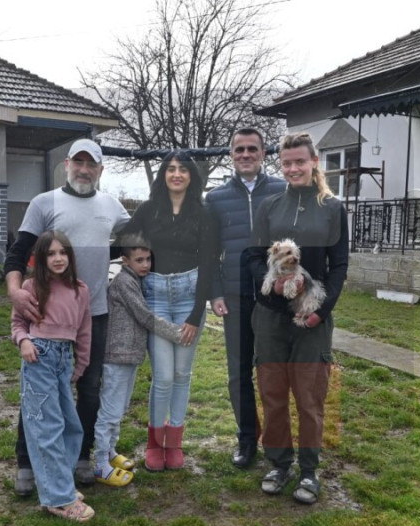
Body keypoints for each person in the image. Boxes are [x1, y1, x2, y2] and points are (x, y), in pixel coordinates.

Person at [4, 139, 130, 493]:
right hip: (47, 315)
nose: (84, 170)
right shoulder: (44, 203)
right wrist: (15, 292)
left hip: (95, 312)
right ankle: (26, 463)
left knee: (89, 388)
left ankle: (81, 457)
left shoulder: (112, 206)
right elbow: (18, 252)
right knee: (38, 390)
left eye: (92, 164)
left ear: (101, 170)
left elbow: (136, 240)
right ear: (67, 164)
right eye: (79, 162)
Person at [246, 132, 349, 505]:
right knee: (272, 395)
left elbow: (340, 266)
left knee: (309, 398)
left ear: (314, 162)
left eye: (300, 162)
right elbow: (253, 257)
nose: (292, 169)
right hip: (271, 319)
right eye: (286, 163)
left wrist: (321, 312)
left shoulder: (332, 208)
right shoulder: (269, 206)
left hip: (311, 320)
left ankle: (308, 470)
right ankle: (279, 464)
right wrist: (271, 285)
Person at [118, 151, 213, 471]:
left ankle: (174, 444)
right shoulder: (149, 209)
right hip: (156, 297)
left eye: (183, 169)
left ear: (191, 176)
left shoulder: (203, 213)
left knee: (182, 374)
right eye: (170, 169)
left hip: (189, 296)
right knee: (163, 376)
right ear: (163, 175)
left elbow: (209, 263)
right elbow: (124, 241)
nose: (176, 174)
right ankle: (154, 444)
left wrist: (196, 314)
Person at [205, 127, 286, 469]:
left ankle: (277, 441)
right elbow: (209, 251)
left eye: (252, 149)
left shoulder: (282, 190)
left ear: (263, 153)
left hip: (274, 299)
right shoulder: (215, 199)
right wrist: (215, 292)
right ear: (231, 155)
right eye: (239, 150)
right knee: (239, 373)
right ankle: (247, 439)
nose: (246, 155)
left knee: (272, 372)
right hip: (236, 297)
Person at [11, 230, 94, 521]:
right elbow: (18, 323)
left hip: (63, 360)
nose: (58, 258)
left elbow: (84, 331)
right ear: (41, 259)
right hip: (39, 357)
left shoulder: (80, 290)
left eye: (63, 253)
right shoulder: (32, 287)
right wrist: (24, 341)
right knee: (47, 428)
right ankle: (58, 499)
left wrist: (80, 365)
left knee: (71, 426)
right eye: (51, 254)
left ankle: (59, 484)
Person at [92, 234, 184, 486]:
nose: (145, 264)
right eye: (139, 260)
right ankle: (100, 464)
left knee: (120, 408)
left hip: (129, 356)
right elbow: (144, 316)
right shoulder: (124, 282)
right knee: (110, 411)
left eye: (148, 259)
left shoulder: (135, 280)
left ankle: (110, 452)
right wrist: (176, 333)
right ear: (125, 260)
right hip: (117, 356)